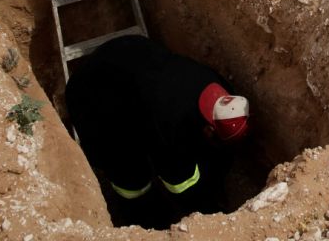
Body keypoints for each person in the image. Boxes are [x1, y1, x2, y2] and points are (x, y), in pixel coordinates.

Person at [64, 35, 250, 229]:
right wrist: (204, 212)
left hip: (127, 53)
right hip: (94, 100)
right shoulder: (170, 119)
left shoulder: (221, 90)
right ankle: (145, 220)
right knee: (128, 172)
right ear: (209, 130)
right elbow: (177, 177)